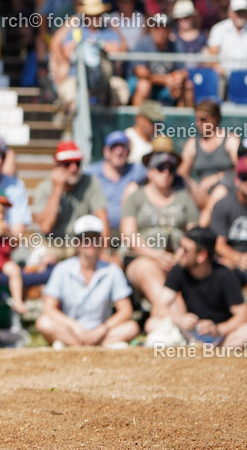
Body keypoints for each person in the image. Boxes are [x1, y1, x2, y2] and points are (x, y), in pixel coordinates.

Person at [121, 142, 199, 321]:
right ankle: (181, 322)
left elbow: (194, 233)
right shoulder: (135, 194)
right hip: (141, 257)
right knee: (149, 271)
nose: (166, 173)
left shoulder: (183, 195)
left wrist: (181, 254)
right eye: (160, 168)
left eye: (171, 169)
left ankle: (167, 321)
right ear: (150, 171)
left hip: (178, 258)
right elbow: (128, 234)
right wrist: (155, 255)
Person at [35, 216, 139, 348]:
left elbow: (125, 310)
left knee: (131, 327)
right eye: (85, 238)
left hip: (101, 331)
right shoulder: (62, 270)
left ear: (100, 242)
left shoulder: (113, 271)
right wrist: (73, 325)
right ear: (77, 242)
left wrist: (102, 329)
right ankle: (96, 346)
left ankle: (73, 345)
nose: (90, 243)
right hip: (71, 330)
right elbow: (48, 308)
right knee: (44, 322)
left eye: (94, 238)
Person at [146, 227, 247, 348]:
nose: (179, 253)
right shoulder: (179, 270)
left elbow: (242, 314)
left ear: (201, 255)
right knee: (152, 323)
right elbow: (158, 307)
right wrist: (179, 318)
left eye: (185, 250)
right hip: (192, 333)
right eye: (180, 247)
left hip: (221, 335)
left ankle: (215, 350)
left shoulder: (224, 275)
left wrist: (218, 329)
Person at [30, 141, 109, 245]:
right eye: (67, 164)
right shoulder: (44, 188)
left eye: (77, 163)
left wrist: (103, 250)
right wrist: (57, 189)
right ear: (57, 166)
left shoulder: (90, 182)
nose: (73, 168)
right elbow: (45, 227)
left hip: (79, 245)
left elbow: (102, 217)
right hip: (50, 244)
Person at [179, 100, 239, 210]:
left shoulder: (230, 140)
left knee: (220, 190)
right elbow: (182, 172)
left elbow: (240, 169)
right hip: (199, 194)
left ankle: (206, 219)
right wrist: (195, 186)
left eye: (203, 119)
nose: (198, 123)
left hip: (224, 191)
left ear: (215, 119)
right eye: (196, 120)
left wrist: (216, 178)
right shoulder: (192, 143)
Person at [84, 131, 146, 231]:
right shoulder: (90, 172)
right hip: (96, 233)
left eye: (123, 147)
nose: (119, 152)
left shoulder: (137, 170)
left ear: (129, 152)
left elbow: (161, 170)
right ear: (106, 152)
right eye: (114, 147)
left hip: (128, 232)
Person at [211, 157, 247, 285]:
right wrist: (239, 258)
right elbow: (218, 244)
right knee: (222, 268)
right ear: (237, 179)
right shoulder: (223, 205)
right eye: (244, 177)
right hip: (232, 261)